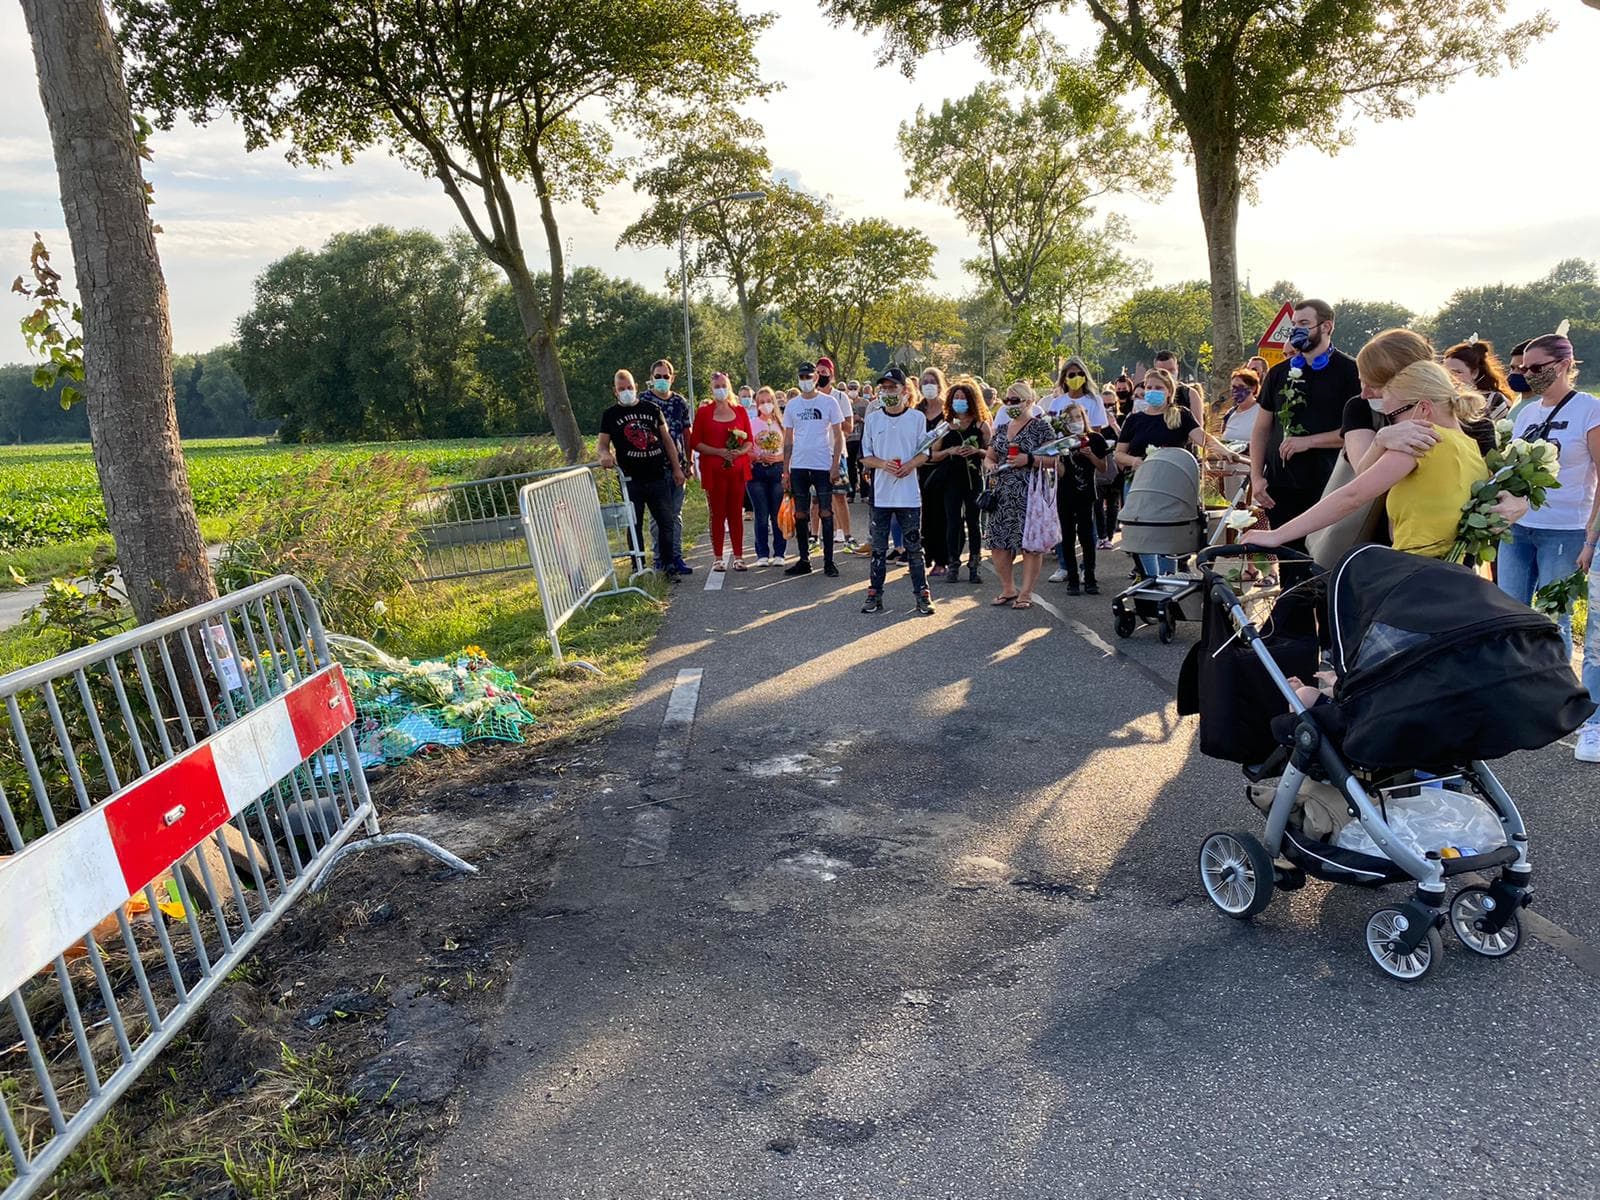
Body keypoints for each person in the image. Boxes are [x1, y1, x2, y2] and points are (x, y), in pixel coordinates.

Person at [1241, 361, 1488, 560]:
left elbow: (1353, 496)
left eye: (1392, 415)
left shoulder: (1420, 441)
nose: (1391, 425)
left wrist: (1277, 535)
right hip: (1451, 570)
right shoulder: (1471, 447)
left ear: (1423, 408)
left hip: (1415, 568)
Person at [1496, 333, 1600, 705]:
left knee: (1551, 615)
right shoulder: (1528, 412)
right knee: (1510, 611)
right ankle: (1516, 690)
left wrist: (1591, 537)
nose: (1528, 374)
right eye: (1524, 368)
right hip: (1519, 528)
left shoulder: (1589, 409)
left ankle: (1553, 695)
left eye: (1537, 368)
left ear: (1563, 366)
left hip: (1566, 529)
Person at [1249, 299, 1362, 544]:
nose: (1296, 330)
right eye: (1294, 324)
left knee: (1320, 563)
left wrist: (1309, 442)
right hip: (1280, 486)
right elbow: (1261, 429)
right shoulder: (1278, 373)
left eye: (1304, 323)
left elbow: (1357, 432)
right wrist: (1256, 477)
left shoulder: (1351, 372)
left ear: (1326, 327)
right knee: (1288, 565)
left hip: (1329, 485)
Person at [1116, 367, 1245, 576]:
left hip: (1171, 485)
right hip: (1140, 483)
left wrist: (1226, 451)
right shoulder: (1134, 420)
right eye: (1149, 387)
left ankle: (1169, 578)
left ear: (1169, 391)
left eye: (1158, 387)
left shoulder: (1180, 416)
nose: (1152, 391)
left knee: (1168, 535)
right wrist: (1136, 461)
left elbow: (1203, 438)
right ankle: (1150, 578)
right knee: (1142, 534)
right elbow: (1119, 454)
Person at [860, 369, 935, 616]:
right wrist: (883, 464)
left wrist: (909, 465)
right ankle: (875, 593)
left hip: (908, 495)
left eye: (893, 387)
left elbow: (925, 453)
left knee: (914, 547)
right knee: (879, 548)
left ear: (904, 390)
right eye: (884, 388)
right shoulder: (873, 419)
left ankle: (922, 594)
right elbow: (866, 456)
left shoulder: (916, 418)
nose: (888, 392)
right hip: (881, 495)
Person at [597, 369, 686, 579]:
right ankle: (638, 566)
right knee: (634, 523)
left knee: (666, 521)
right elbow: (602, 444)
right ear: (615, 391)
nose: (626, 392)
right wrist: (604, 455)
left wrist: (677, 468)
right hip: (631, 479)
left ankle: (668, 565)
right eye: (621, 389)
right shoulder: (610, 415)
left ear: (636, 387)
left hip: (657, 475)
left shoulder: (652, 409)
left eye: (629, 387)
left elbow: (667, 441)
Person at [984, 382, 1055, 609]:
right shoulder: (1003, 428)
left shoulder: (1041, 428)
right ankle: (1008, 588)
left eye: (1015, 401)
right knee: (998, 543)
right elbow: (990, 455)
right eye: (1007, 401)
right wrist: (990, 464)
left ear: (1028, 401)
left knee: (1030, 544)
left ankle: (1026, 592)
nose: (1010, 405)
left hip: (1030, 492)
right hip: (1002, 492)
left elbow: (1054, 459)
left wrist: (1030, 460)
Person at [781, 361, 846, 577]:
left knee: (826, 511)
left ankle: (829, 561)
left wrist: (835, 464)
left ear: (816, 378)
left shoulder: (829, 403)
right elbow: (788, 439)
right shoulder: (792, 405)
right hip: (799, 465)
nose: (805, 381)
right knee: (801, 513)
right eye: (802, 377)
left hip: (822, 464)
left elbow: (838, 436)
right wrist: (786, 470)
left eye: (809, 377)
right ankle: (804, 559)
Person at [929, 375, 990, 586]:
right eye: (956, 397)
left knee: (974, 523)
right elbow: (933, 454)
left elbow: (991, 454)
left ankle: (974, 564)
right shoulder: (945, 425)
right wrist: (950, 450)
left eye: (964, 397)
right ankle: (953, 563)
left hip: (973, 479)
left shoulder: (981, 425)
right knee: (953, 522)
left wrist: (977, 451)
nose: (960, 401)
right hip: (951, 479)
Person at [691, 371, 754, 571]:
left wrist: (738, 452)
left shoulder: (740, 411)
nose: (721, 389)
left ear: (729, 387)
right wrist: (719, 452)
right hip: (714, 471)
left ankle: (738, 556)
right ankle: (717, 557)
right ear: (711, 389)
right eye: (717, 386)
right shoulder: (704, 412)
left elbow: (749, 441)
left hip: (737, 471)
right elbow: (695, 442)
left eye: (723, 385)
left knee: (736, 513)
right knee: (717, 514)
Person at [1049, 401, 1108, 595]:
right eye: (1070, 419)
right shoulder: (1063, 442)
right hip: (1065, 495)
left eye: (1078, 417)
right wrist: (1058, 459)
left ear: (1084, 418)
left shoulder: (1095, 439)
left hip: (1086, 494)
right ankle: (1072, 578)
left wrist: (1090, 455)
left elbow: (1103, 467)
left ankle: (1089, 576)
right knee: (1067, 536)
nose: (1075, 422)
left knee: (1087, 536)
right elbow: (1062, 473)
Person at [646, 359, 694, 575]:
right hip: (654, 467)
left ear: (672, 378)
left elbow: (687, 433)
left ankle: (675, 557)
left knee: (675, 515)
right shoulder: (645, 401)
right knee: (658, 517)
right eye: (658, 376)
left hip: (678, 466)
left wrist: (689, 462)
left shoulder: (680, 402)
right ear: (651, 378)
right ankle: (660, 559)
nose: (662, 380)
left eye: (666, 376)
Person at [814, 357, 858, 552]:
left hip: (836, 452)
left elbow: (849, 427)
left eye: (824, 372)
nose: (820, 376)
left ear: (831, 375)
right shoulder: (809, 396)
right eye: (818, 372)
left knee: (839, 496)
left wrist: (833, 421)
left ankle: (847, 536)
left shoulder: (840, 398)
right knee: (815, 499)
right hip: (815, 454)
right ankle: (814, 538)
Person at [747, 386, 787, 566]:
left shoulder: (782, 424)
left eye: (769, 401)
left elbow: (789, 448)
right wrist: (758, 456)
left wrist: (778, 458)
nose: (766, 405)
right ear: (756, 405)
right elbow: (746, 449)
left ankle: (780, 552)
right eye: (762, 402)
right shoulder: (751, 424)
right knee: (761, 515)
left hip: (777, 470)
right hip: (757, 471)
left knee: (777, 514)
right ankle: (762, 553)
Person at [917, 368, 951, 578]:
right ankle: (927, 555)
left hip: (943, 469)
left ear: (940, 385)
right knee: (926, 515)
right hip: (921, 469)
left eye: (932, 381)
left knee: (942, 516)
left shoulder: (948, 413)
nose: (928, 385)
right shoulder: (916, 411)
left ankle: (943, 559)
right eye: (925, 382)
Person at [1094, 384, 1123, 549]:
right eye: (1104, 405)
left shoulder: (1121, 419)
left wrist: (1114, 425)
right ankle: (1101, 535)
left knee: (1113, 503)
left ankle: (1109, 536)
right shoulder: (1096, 422)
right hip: (1100, 465)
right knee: (1097, 503)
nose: (1107, 408)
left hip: (1116, 466)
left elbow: (1126, 440)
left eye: (1110, 405)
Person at [1049, 358, 1108, 430]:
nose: (1077, 377)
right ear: (1064, 379)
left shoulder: (1095, 401)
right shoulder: (1056, 403)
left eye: (1080, 374)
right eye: (1072, 375)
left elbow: (1096, 430)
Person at [1154, 350, 1199, 423]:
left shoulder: (1189, 394)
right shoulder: (1148, 394)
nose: (1168, 375)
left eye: (1171, 370)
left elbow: (1198, 428)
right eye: (1163, 372)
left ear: (1177, 368)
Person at [845, 380, 867, 501]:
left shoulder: (865, 403)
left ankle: (864, 494)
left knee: (862, 464)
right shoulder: (844, 402)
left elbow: (869, 420)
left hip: (861, 438)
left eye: (855, 387)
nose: (853, 389)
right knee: (850, 467)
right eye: (850, 387)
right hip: (849, 439)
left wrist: (861, 419)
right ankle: (851, 494)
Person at [1506, 339, 1538, 420]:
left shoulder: (1544, 405)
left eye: (1522, 369)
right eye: (1513, 368)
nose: (1515, 373)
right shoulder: (1519, 399)